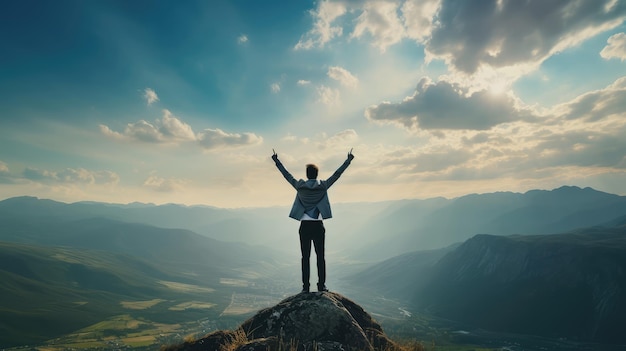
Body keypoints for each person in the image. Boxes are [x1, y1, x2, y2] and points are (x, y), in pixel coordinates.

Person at [271, 149, 354, 293]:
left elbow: (286, 174)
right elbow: (337, 174)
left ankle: (305, 288)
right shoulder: (323, 186)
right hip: (318, 226)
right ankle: (321, 286)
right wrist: (348, 160)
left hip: (304, 226)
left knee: (305, 257)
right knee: (320, 257)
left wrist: (276, 160)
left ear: (306, 175)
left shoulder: (299, 186)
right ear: (316, 174)